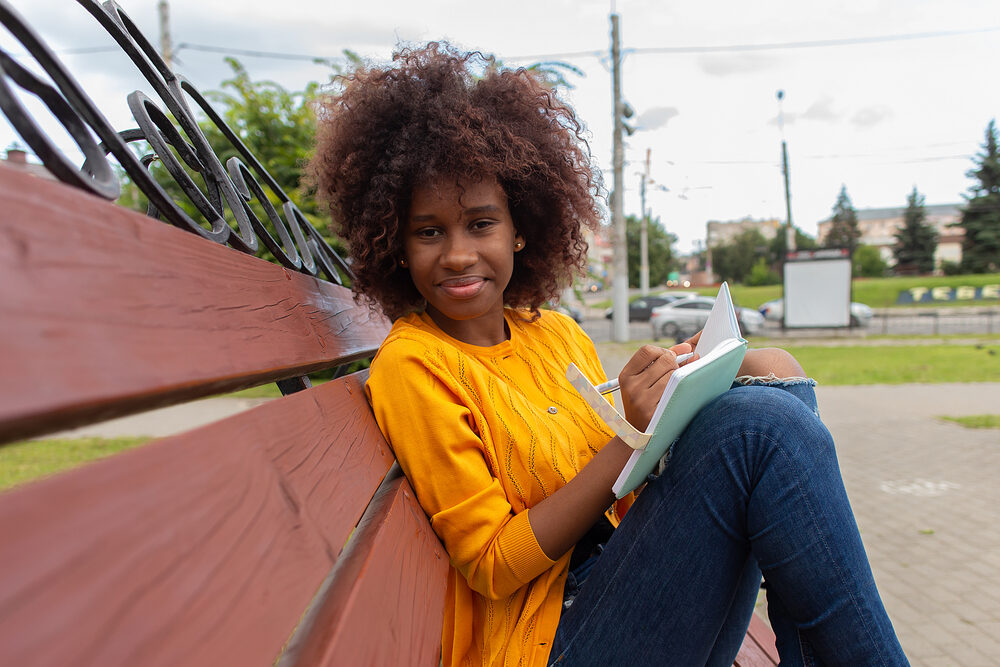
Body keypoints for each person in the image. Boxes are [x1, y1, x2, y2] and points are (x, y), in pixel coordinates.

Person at [310, 42, 907, 667]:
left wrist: (677, 389)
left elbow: (621, 495)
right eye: (429, 231)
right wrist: (630, 436)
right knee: (765, 428)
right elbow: (492, 566)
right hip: (548, 644)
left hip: (618, 588)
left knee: (770, 379)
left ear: (521, 228)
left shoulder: (554, 334)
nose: (458, 253)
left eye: (481, 223)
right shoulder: (414, 366)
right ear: (396, 244)